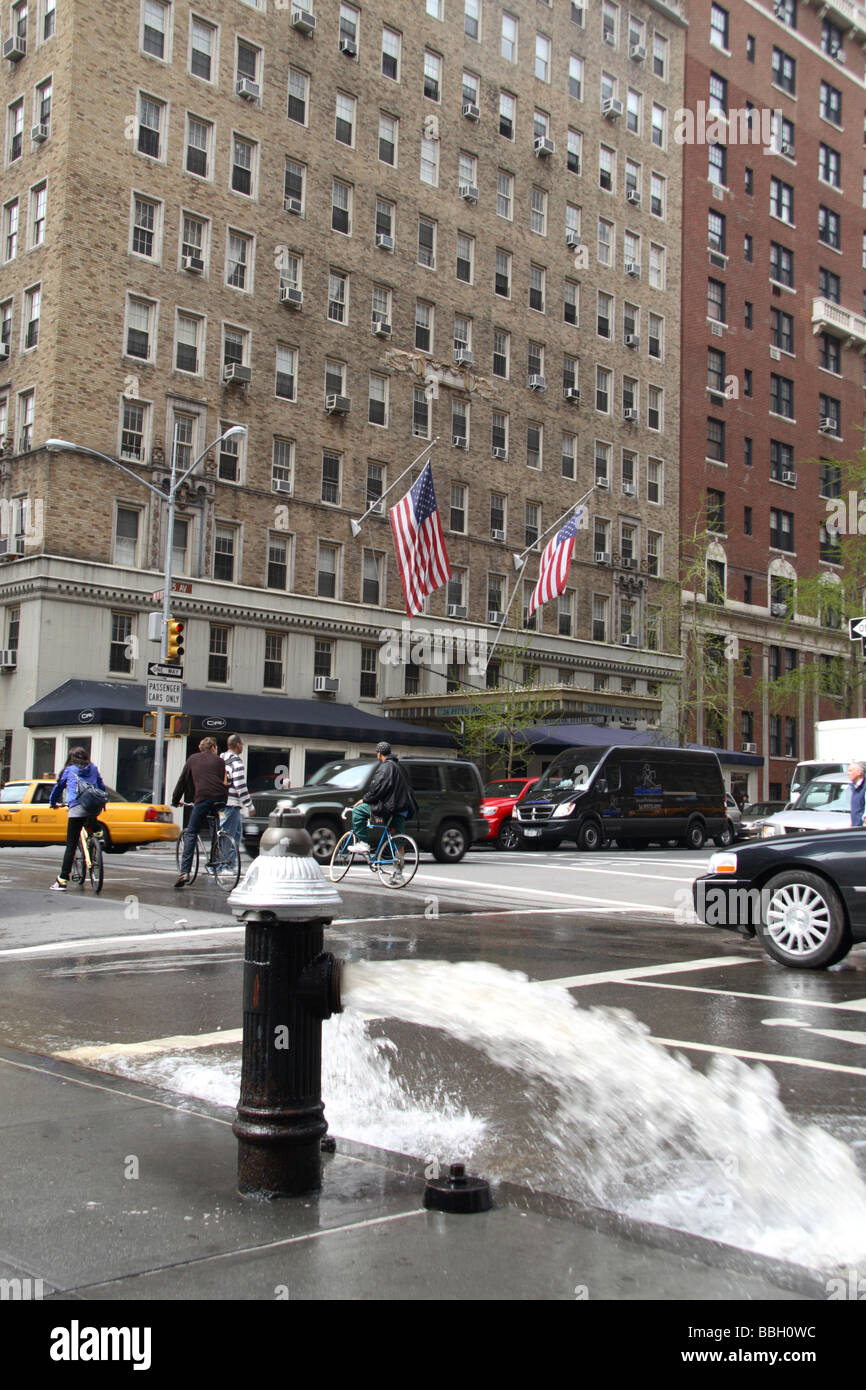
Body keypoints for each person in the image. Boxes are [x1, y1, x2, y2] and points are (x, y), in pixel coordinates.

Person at [48, 747, 108, 890]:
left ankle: (62, 879)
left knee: (71, 845)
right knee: (91, 818)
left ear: (71, 758)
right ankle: (97, 833)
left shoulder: (69, 770)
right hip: (94, 806)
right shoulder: (93, 768)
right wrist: (104, 801)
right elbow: (100, 785)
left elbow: (59, 787)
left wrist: (52, 802)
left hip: (76, 808)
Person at [171, 737, 228, 886]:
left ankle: (184, 872)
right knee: (214, 823)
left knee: (191, 832)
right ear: (214, 748)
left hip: (202, 798)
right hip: (221, 798)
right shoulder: (220, 761)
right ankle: (215, 855)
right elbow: (222, 780)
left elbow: (182, 781)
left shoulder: (192, 759)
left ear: (201, 748)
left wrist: (175, 800)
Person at [348, 742, 413, 854]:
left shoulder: (385, 767)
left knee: (358, 811)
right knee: (397, 840)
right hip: (402, 809)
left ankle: (364, 843)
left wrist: (364, 800)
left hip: (388, 807)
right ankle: (399, 868)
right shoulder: (401, 767)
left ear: (379, 754)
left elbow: (377, 789)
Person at [220, 733, 254, 854]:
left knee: (233, 834)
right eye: (242, 744)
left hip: (221, 802)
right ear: (238, 745)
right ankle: (223, 865)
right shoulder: (237, 763)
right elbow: (240, 786)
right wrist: (249, 805)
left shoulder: (221, 758)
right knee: (230, 835)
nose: (242, 747)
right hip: (231, 804)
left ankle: (229, 863)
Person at [848, 761, 866, 828]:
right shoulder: (852, 787)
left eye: (850, 771)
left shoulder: (864, 786)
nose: (848, 773)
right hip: (855, 826)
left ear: (859, 772)